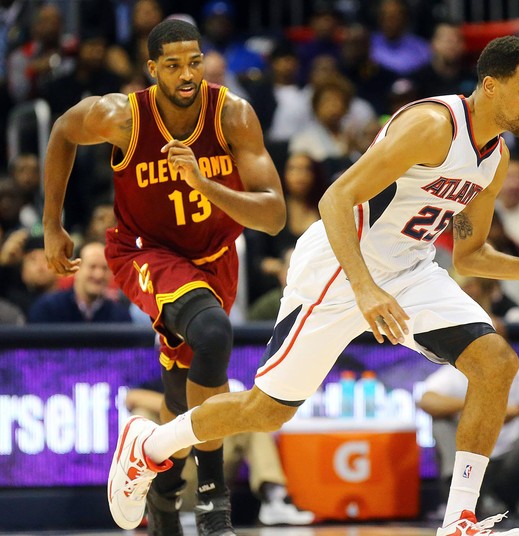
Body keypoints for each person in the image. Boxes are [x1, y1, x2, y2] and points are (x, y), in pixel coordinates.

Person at [106, 35, 519, 536]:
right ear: (491, 85)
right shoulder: (432, 125)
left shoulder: (495, 159)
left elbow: (471, 254)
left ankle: (459, 519)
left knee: (496, 362)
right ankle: (150, 446)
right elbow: (335, 199)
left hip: (410, 270)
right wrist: (365, 287)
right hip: (337, 264)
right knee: (265, 412)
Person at [42, 19, 285, 536]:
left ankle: (166, 493)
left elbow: (274, 215)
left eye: (194, 62)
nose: (186, 75)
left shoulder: (233, 115)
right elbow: (63, 129)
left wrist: (202, 181)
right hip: (144, 251)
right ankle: (214, 497)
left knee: (183, 389)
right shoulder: (125, 116)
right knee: (216, 332)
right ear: (152, 70)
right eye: (172, 65)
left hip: (215, 256)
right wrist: (52, 223)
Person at [125, 382, 315, 527]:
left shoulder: (211, 379)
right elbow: (131, 397)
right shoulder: (158, 383)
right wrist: (188, 418)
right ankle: (145, 504)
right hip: (174, 471)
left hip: (213, 467)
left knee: (253, 421)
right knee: (141, 415)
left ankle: (275, 498)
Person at [419, 363, 519, 526]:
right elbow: (427, 401)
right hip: (472, 469)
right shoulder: (455, 374)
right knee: (440, 421)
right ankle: (461, 502)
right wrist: (474, 406)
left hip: (513, 467)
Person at [28, 241, 132, 323]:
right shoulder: (48, 309)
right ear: (76, 268)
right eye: (92, 267)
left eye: (105, 268)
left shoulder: (121, 317)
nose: (99, 275)